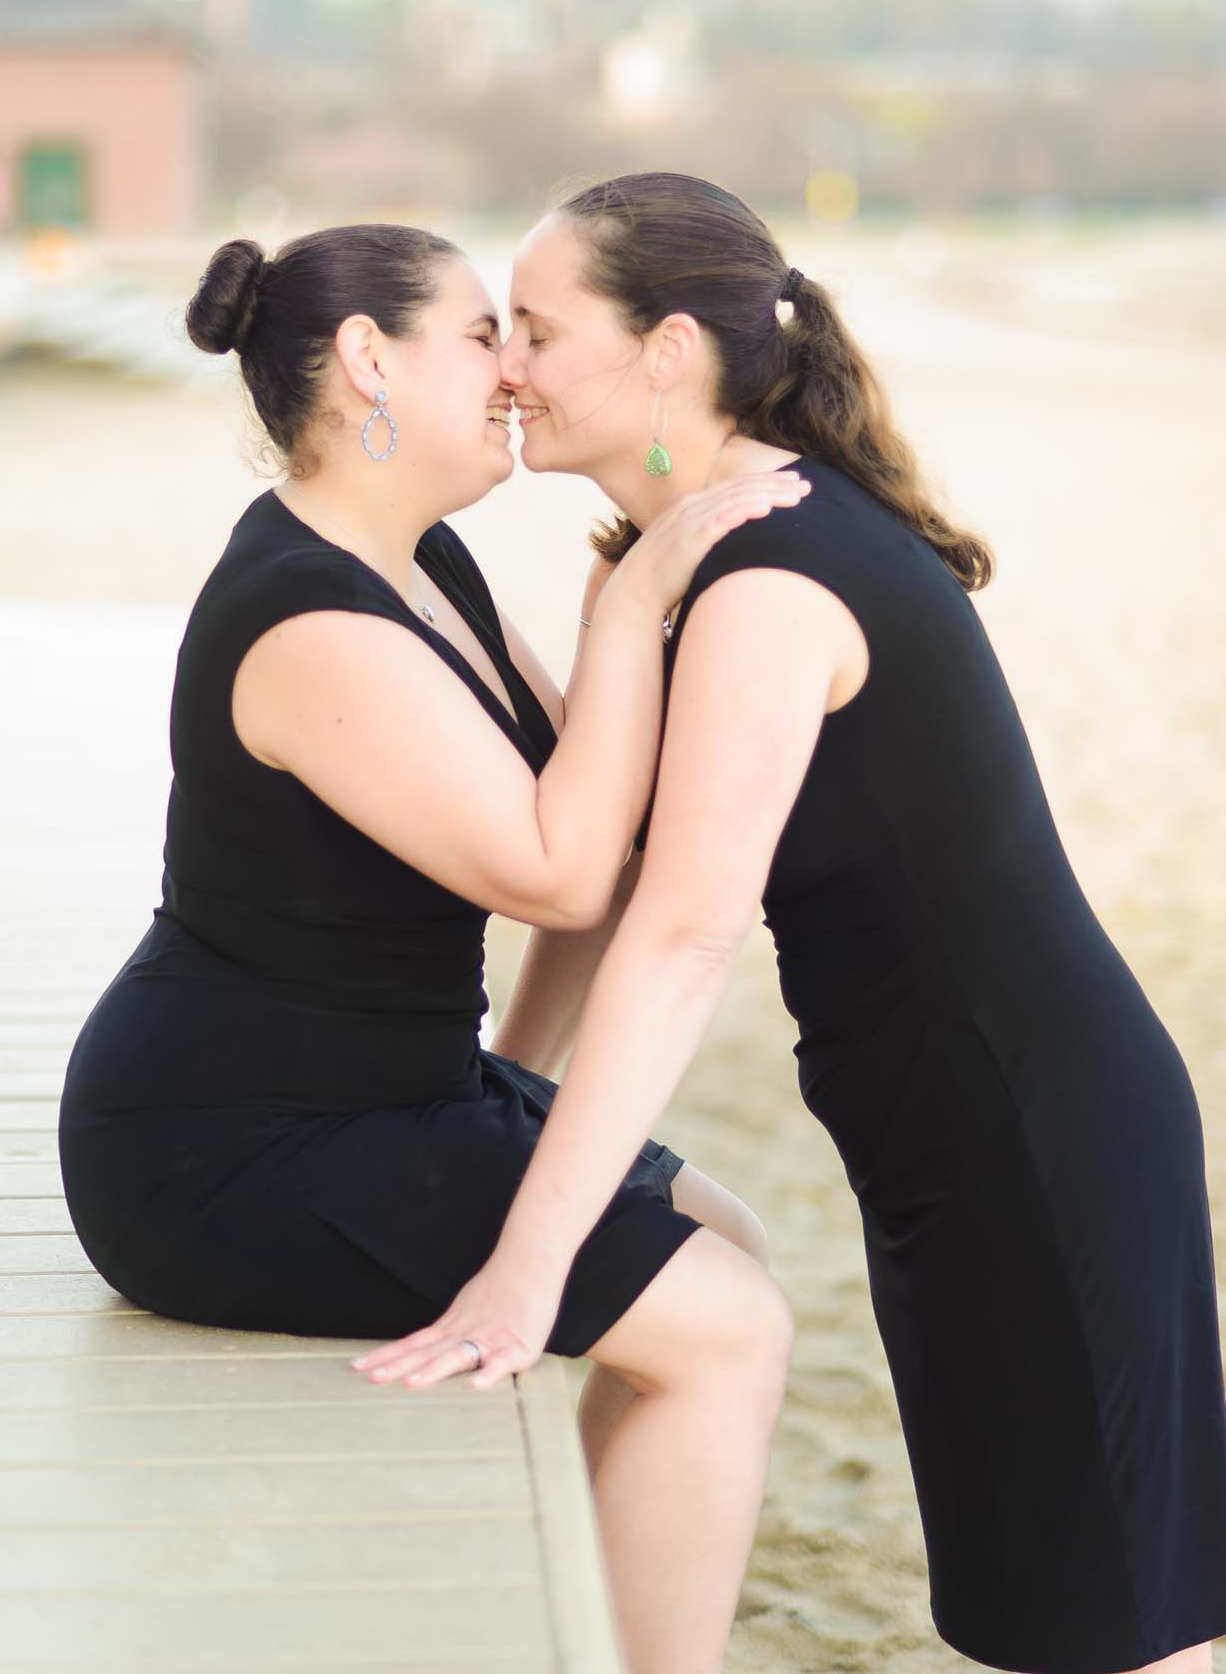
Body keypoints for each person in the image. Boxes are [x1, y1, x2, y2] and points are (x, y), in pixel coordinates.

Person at [354, 174, 1226, 1674]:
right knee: (1043, 1606)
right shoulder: (674, 560)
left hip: (1035, 1141)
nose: (505, 366)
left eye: (541, 332)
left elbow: (683, 943)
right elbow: (607, 876)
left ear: (669, 351)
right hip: (947, 1140)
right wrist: (503, 1096)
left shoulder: (766, 577)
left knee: (1109, 1629)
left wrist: (528, 1261)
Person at [58, 222, 808, 1673]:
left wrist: (514, 1096)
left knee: (732, 1246)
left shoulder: (418, 560)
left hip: (381, 1090)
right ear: (366, 361)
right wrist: (645, 591)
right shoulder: (307, 618)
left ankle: (589, 1619)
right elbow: (557, 866)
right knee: (728, 1330)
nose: (514, 371)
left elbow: (601, 818)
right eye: (481, 333)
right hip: (225, 1146)